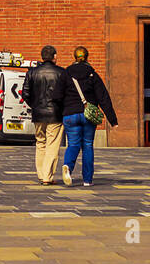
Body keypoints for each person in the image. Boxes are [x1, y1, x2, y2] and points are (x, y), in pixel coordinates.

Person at [57, 46, 118, 187]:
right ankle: (87, 180)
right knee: (88, 145)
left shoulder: (66, 74)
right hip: (88, 116)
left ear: (74, 57)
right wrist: (112, 119)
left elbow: (57, 96)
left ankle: (68, 166)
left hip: (70, 115)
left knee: (73, 144)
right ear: (87, 57)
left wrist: (61, 113)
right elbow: (103, 97)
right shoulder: (92, 74)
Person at [21, 45, 66, 184]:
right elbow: (65, 94)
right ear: (55, 56)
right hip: (55, 114)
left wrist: (35, 105)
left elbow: (25, 93)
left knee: (40, 143)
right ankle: (47, 176)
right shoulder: (61, 72)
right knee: (52, 145)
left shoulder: (32, 72)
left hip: (38, 114)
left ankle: (41, 174)